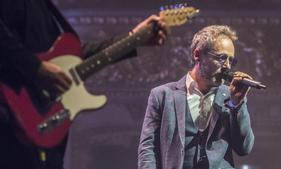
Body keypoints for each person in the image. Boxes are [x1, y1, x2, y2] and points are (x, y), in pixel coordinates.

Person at [0, 0, 168, 169]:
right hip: (11, 119)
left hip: (40, 126)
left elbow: (71, 58)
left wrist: (132, 38)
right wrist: (37, 69)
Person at [138, 25, 254, 169]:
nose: (228, 66)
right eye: (222, 58)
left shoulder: (230, 96)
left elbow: (244, 148)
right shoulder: (162, 95)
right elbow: (148, 148)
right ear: (197, 55)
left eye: (231, 60)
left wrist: (237, 104)